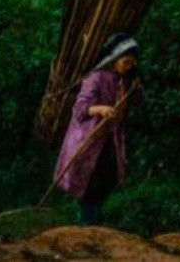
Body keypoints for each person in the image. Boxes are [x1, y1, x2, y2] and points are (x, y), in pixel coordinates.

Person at [54, 33, 143, 226]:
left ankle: (94, 224)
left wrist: (136, 90)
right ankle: (87, 226)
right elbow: (79, 109)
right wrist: (100, 109)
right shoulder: (96, 78)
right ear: (114, 59)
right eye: (126, 62)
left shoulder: (126, 80)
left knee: (107, 180)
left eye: (131, 63)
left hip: (110, 141)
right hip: (90, 141)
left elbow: (136, 102)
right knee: (90, 185)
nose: (129, 66)